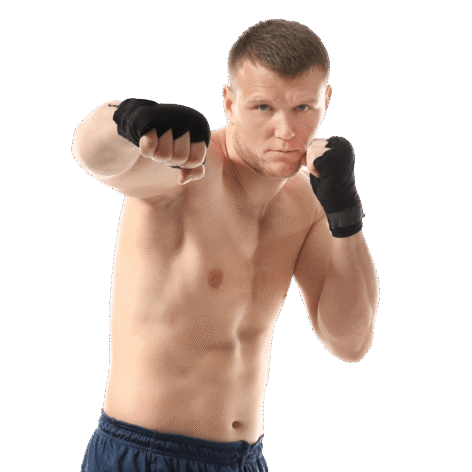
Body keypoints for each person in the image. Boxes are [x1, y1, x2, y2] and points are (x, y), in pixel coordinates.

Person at [72, 19, 380, 472]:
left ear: (325, 101)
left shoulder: (309, 204)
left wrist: (344, 212)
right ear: (230, 102)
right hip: (147, 455)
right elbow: (93, 155)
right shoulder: (188, 170)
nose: (286, 130)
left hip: (244, 460)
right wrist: (129, 120)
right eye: (263, 107)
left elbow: (350, 342)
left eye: (302, 107)